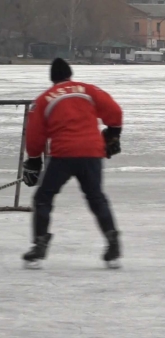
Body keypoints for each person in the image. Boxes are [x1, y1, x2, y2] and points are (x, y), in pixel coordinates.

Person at [21, 58, 123, 269]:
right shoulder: (88, 90)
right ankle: (112, 241)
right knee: (96, 197)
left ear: (52, 79)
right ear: (70, 74)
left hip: (63, 154)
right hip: (92, 152)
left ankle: (39, 245)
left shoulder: (44, 100)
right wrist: (113, 132)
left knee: (43, 198)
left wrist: (33, 161)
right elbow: (114, 111)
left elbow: (35, 135)